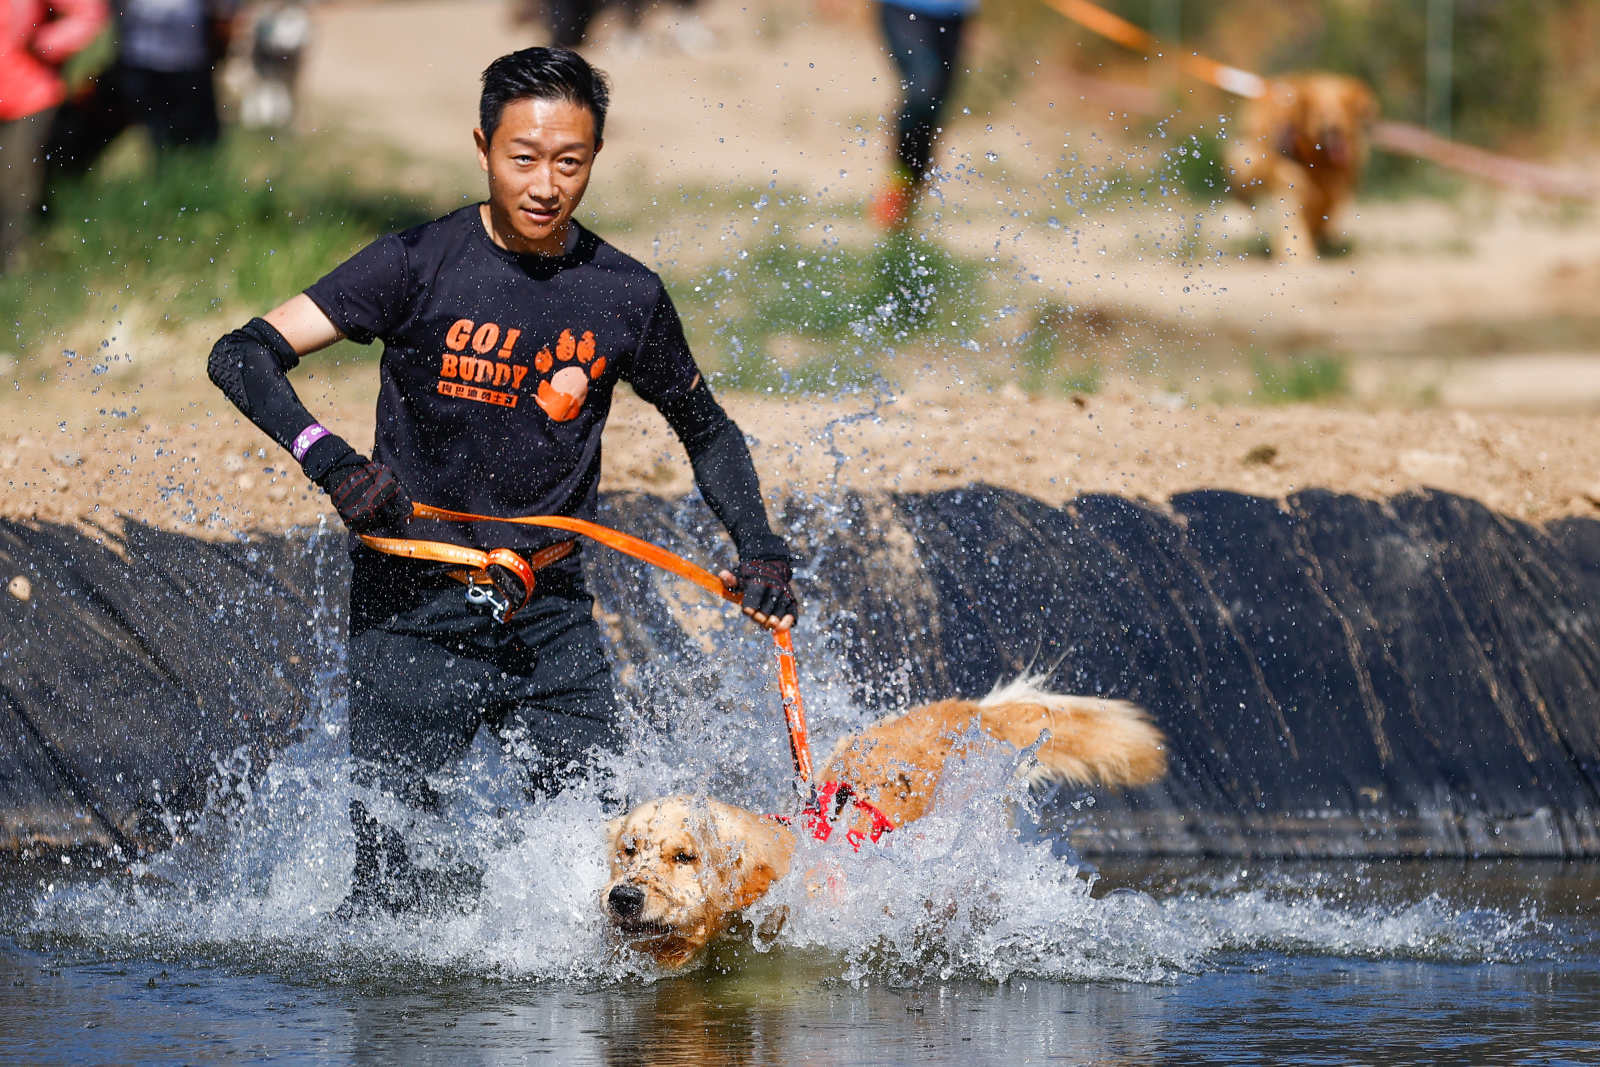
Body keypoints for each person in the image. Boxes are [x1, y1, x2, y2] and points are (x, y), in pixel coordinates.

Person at [206, 46, 799, 918]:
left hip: (551, 614)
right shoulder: (413, 263)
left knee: (612, 880)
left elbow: (706, 428)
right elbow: (241, 352)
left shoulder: (626, 294)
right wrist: (332, 462)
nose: (546, 185)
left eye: (570, 162)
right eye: (522, 158)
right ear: (481, 146)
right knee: (390, 901)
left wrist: (763, 548)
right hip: (408, 612)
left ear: (595, 157)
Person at [44, 0, 235, 180]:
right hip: (137, 65)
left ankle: (189, 197)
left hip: (187, 68)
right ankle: (63, 181)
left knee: (193, 149)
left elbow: (223, 16)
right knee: (85, 127)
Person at [0, 0, 108, 271]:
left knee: (15, 187)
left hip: (29, 97)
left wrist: (45, 44)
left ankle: (15, 268)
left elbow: (89, 14)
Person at [870, 0, 975, 229]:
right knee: (924, 87)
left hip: (956, 14)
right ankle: (898, 182)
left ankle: (910, 190)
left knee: (935, 108)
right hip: (905, 9)